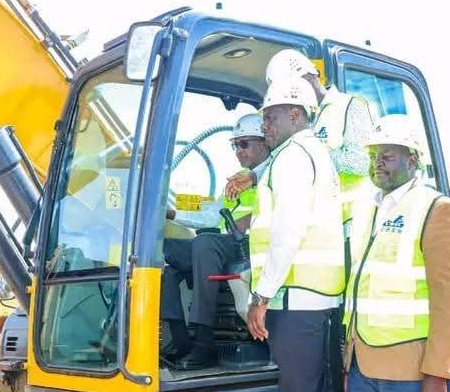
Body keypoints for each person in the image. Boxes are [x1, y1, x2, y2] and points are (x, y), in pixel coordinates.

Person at [343, 114, 450, 392]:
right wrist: (349, 364)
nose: (377, 162)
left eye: (386, 156)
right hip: (363, 366)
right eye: (373, 156)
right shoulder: (367, 209)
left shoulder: (437, 208)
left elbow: (449, 298)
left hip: (410, 370)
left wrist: (438, 373)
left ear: (412, 160)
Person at [247, 77, 345, 392]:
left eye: (270, 117)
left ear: (294, 114)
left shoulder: (292, 156)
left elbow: (287, 231)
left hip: (295, 299)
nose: (264, 126)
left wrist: (261, 296)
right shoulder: (315, 153)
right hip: (313, 299)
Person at [161, 113, 270, 370]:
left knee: (204, 243)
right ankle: (179, 339)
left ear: (264, 142)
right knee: (164, 252)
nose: (238, 150)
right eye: (235, 145)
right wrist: (170, 214)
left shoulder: (274, 172)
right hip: (228, 244)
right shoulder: (238, 179)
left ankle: (204, 340)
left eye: (244, 144)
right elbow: (211, 215)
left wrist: (251, 220)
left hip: (255, 245)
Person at [227, 49, 375, 220]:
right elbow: (287, 161)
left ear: (307, 78)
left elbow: (362, 162)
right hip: (310, 219)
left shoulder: (351, 106)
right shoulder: (293, 115)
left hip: (348, 221)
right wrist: (254, 176)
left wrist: (308, 152)